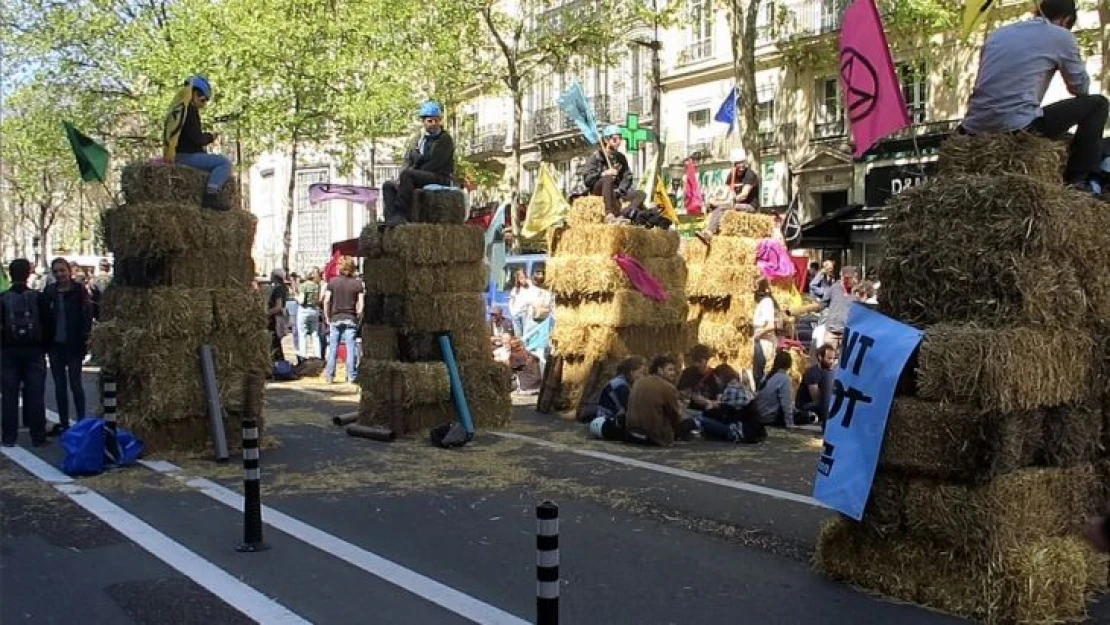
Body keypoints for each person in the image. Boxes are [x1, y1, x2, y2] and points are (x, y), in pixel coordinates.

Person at [960, 0, 1108, 195]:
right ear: (1066, 20)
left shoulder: (997, 35)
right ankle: (1078, 181)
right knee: (1098, 104)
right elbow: (1080, 89)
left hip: (972, 128)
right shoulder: (1060, 36)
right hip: (1016, 126)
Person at [1, 259, 51, 447]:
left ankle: (8, 436)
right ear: (28, 274)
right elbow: (48, 323)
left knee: (9, 395)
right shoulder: (38, 297)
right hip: (34, 350)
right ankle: (37, 435)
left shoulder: (3, 298)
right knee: (36, 395)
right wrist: (44, 347)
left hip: (8, 351)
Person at [382, 101, 455, 226]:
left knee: (408, 175)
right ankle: (391, 218)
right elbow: (407, 160)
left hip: (438, 176)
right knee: (388, 185)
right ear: (423, 122)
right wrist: (400, 180)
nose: (434, 124)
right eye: (430, 121)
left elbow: (435, 163)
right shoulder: (417, 139)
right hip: (418, 174)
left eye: (436, 121)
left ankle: (401, 212)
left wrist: (413, 172)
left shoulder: (444, 139)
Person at [42, 258, 93, 435]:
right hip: (55, 345)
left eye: (62, 271)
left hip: (74, 344)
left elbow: (87, 316)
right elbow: (44, 319)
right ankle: (63, 422)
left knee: (75, 383)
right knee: (59, 385)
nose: (59, 274)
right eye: (56, 271)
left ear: (69, 271)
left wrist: (86, 340)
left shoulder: (79, 290)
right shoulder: (49, 291)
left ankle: (81, 421)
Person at [173, 75, 233, 210]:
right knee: (223, 163)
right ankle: (211, 195)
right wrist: (211, 136)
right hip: (186, 156)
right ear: (194, 93)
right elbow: (197, 138)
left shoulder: (181, 109)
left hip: (180, 154)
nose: (204, 103)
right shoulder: (190, 111)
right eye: (203, 99)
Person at [626, 354, 696, 446]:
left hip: (631, 433)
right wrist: (681, 408)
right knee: (691, 423)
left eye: (674, 370)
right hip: (653, 436)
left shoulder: (638, 382)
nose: (673, 373)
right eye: (670, 370)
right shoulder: (668, 387)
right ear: (659, 370)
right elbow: (675, 417)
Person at [789, 265, 860, 352]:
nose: (847, 281)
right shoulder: (834, 288)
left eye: (849, 278)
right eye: (845, 278)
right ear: (842, 277)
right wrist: (797, 310)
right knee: (828, 357)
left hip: (847, 333)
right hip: (831, 331)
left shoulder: (856, 292)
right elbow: (821, 304)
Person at [582, 125, 647, 220]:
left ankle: (625, 213)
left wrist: (620, 190)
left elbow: (627, 176)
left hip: (616, 191)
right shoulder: (596, 157)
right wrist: (603, 174)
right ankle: (609, 213)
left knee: (640, 194)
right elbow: (588, 179)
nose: (619, 142)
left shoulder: (620, 158)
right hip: (599, 189)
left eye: (620, 138)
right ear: (606, 140)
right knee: (608, 179)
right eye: (615, 139)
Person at [697, 149, 761, 243]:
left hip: (750, 206)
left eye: (743, 162)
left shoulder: (750, 175)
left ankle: (709, 233)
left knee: (722, 208)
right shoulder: (731, 176)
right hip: (735, 205)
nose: (741, 165)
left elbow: (744, 195)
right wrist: (714, 200)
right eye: (738, 163)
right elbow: (726, 193)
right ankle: (708, 230)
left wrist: (727, 202)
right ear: (734, 164)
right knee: (714, 207)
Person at [695, 364, 766, 444]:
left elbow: (724, 416)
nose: (716, 382)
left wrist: (709, 407)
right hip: (751, 430)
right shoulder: (741, 387)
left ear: (720, 377)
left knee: (699, 419)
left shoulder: (730, 390)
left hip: (739, 431)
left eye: (716, 379)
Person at [322, 257, 364, 384]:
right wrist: (359, 318)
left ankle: (330, 375)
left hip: (335, 317)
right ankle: (351, 376)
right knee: (351, 348)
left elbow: (326, 300)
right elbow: (361, 305)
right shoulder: (357, 284)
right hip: (351, 318)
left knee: (333, 348)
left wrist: (327, 316)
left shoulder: (333, 282)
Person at [592, 355, 646, 440]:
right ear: (632, 372)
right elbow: (630, 408)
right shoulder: (620, 385)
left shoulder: (627, 383)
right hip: (605, 421)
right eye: (641, 373)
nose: (643, 377)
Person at [796, 344, 837, 428]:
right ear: (820, 357)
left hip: (821, 404)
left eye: (833, 358)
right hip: (806, 405)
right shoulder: (812, 373)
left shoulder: (831, 372)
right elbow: (816, 398)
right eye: (829, 358)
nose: (832, 361)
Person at [753, 351, 796, 428]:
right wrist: (790, 424)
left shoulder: (767, 376)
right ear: (789, 364)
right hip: (771, 418)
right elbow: (786, 404)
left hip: (759, 415)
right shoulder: (784, 379)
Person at [752, 278, 780, 388]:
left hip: (764, 342)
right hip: (760, 339)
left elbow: (770, 326)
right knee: (757, 373)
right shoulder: (763, 302)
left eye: (754, 286)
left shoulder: (767, 302)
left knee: (760, 374)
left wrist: (758, 334)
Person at [676, 343, 721, 412]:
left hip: (708, 413)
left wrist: (706, 402)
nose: (696, 364)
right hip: (690, 412)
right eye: (694, 361)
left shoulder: (715, 375)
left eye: (700, 362)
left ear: (707, 361)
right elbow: (680, 393)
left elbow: (719, 400)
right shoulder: (687, 373)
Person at [296, 268, 323, 361]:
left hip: (304, 310)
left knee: (302, 334)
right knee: (315, 334)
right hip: (314, 310)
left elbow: (301, 300)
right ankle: (318, 355)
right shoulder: (317, 285)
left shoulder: (304, 286)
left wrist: (296, 296)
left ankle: (303, 356)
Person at [266, 269, 289, 363]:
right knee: (276, 342)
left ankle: (278, 363)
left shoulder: (278, 289)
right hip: (279, 317)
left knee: (274, 341)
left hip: (275, 318)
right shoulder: (284, 288)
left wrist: (266, 313)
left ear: (275, 277)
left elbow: (278, 306)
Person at [507, 269, 533, 337]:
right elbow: (511, 302)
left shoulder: (530, 288)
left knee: (526, 334)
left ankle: (525, 347)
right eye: (521, 278)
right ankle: (519, 347)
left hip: (525, 314)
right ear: (518, 279)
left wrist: (529, 282)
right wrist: (512, 312)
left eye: (524, 277)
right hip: (516, 314)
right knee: (518, 334)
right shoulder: (515, 289)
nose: (523, 280)